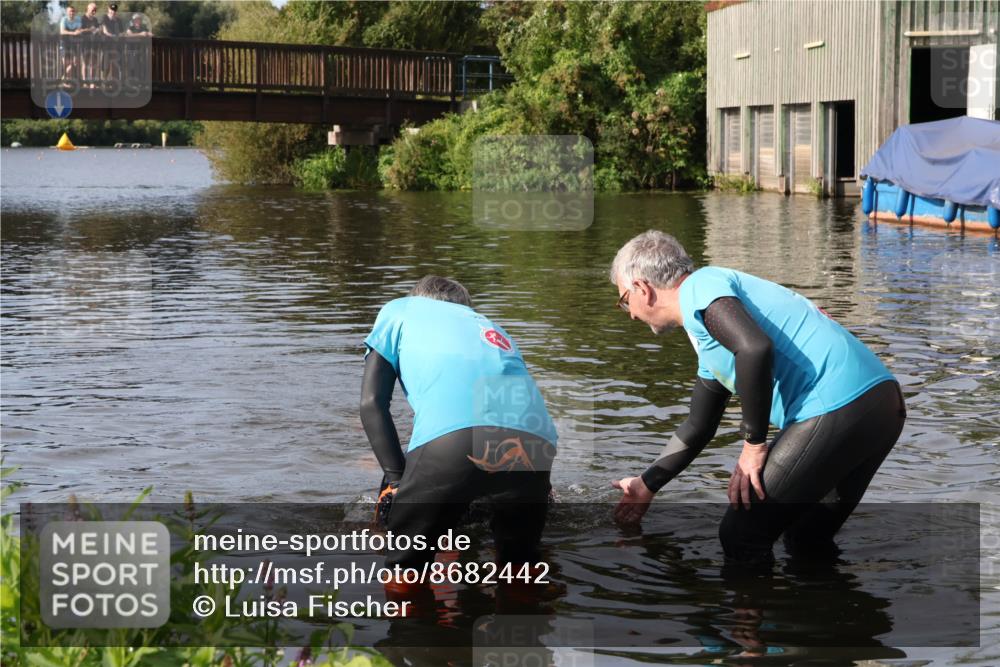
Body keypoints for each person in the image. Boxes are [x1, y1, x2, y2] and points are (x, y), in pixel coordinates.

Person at [609, 230, 906, 563]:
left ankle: (747, 615)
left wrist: (753, 445)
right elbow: (699, 425)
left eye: (623, 300)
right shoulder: (710, 331)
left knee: (741, 535)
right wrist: (647, 484)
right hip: (881, 404)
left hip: (839, 404)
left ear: (642, 289)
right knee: (806, 537)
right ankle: (827, 613)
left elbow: (754, 348)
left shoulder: (700, 286)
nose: (630, 313)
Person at [361, 276, 557, 592]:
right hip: (536, 440)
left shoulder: (399, 310)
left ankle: (411, 629)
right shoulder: (487, 326)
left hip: (453, 442)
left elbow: (372, 404)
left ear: (419, 299)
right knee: (520, 571)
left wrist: (396, 481)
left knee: (406, 575)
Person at [59, 7, 82, 81]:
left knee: (74, 63)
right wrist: (73, 33)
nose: (71, 13)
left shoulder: (77, 19)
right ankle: (66, 82)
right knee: (66, 64)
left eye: (73, 11)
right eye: (70, 11)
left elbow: (79, 30)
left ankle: (64, 79)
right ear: (66, 12)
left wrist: (78, 31)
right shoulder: (64, 19)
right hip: (64, 43)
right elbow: (62, 31)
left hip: (73, 45)